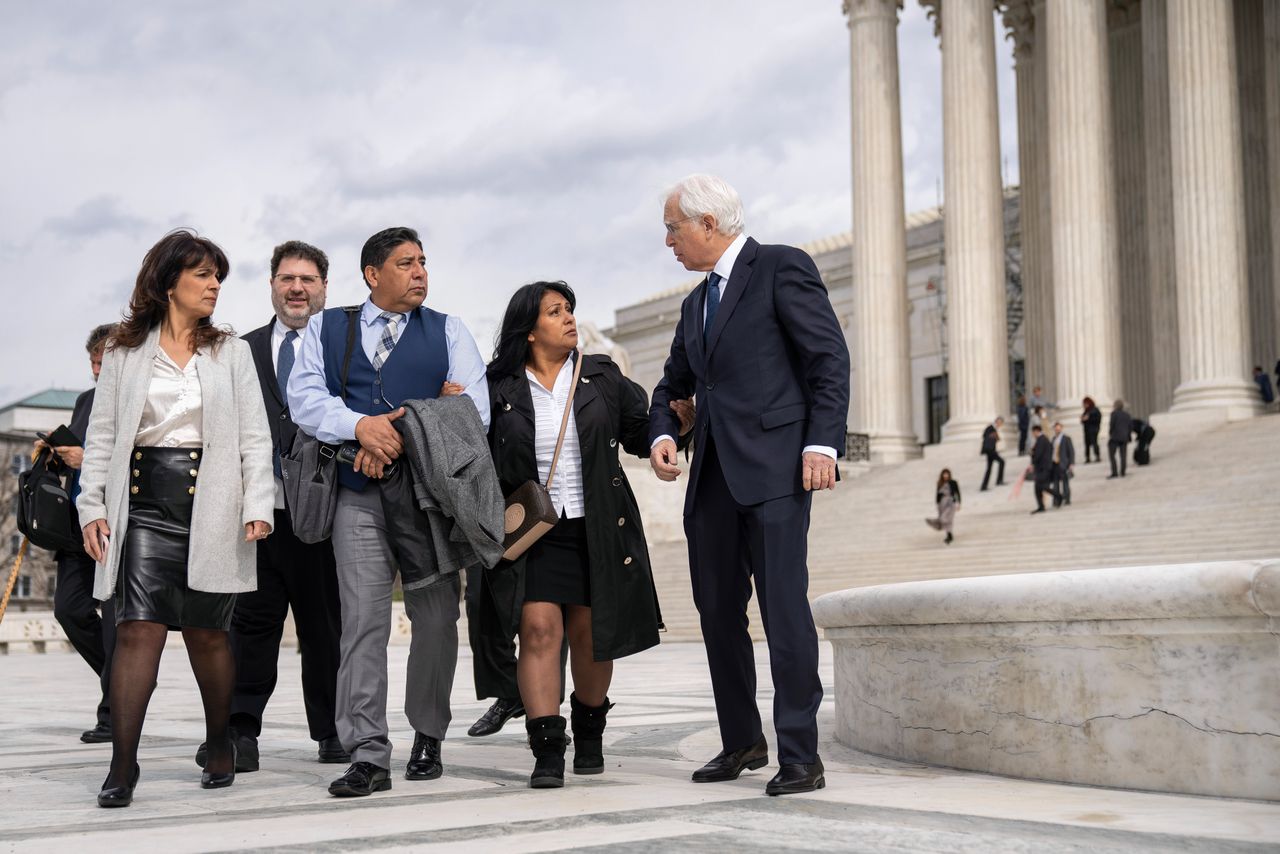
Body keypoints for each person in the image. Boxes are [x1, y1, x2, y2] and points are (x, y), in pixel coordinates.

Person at [649, 174, 851, 797]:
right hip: (710, 477)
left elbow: (827, 358)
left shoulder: (781, 268)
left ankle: (801, 754)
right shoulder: (693, 305)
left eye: (673, 229)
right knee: (716, 614)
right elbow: (673, 386)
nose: (668, 243)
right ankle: (742, 740)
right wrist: (662, 433)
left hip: (775, 471)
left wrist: (822, 443)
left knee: (784, 612)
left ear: (708, 225)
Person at [289, 226, 489, 798]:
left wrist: (395, 432)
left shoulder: (449, 330)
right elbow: (305, 397)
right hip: (356, 494)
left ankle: (428, 734)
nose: (421, 272)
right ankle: (368, 752)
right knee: (362, 623)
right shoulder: (327, 328)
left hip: (430, 500)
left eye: (424, 261)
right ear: (373, 275)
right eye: (407, 263)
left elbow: (475, 409)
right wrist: (359, 428)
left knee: (437, 619)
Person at [77, 230, 275, 807]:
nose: (215, 285)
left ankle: (219, 743)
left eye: (218, 276)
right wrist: (91, 506)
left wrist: (258, 504)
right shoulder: (122, 351)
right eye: (203, 275)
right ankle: (122, 764)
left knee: (208, 635)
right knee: (136, 629)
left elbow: (254, 438)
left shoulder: (231, 352)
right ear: (169, 283)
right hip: (141, 503)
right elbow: (103, 437)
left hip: (213, 504)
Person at [484, 281, 665, 787]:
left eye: (569, 310)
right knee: (539, 631)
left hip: (597, 526)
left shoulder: (601, 375)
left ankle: (589, 731)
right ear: (528, 329)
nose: (568, 319)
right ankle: (546, 750)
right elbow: (477, 453)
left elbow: (640, 429)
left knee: (591, 638)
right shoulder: (498, 386)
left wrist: (673, 430)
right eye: (555, 311)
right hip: (533, 531)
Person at [197, 241, 346, 772]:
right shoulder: (241, 350)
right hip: (255, 512)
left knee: (324, 625)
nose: (297, 288)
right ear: (273, 286)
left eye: (308, 279)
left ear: (324, 288)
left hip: (323, 513)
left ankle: (333, 729)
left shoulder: (342, 348)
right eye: (287, 278)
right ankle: (240, 730)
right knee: (251, 625)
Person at [42, 323, 118, 743]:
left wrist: (83, 457)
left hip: (115, 524)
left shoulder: (133, 397)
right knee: (69, 610)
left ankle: (112, 712)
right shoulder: (85, 400)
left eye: (102, 361)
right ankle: (126, 680)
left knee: (113, 622)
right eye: (92, 362)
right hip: (76, 527)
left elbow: (127, 458)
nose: (95, 369)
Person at [1027, 424, 1059, 514]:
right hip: (1044, 467)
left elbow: (1038, 455)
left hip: (1043, 468)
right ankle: (1042, 505)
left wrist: (1032, 455)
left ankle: (1057, 496)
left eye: (1033, 432)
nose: (1033, 434)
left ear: (1036, 431)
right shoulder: (1043, 439)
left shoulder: (1041, 440)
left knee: (1041, 487)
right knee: (1040, 487)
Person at [924, 468, 960, 544]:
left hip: (951, 502)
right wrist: (937, 503)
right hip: (942, 503)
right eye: (944, 474)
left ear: (949, 474)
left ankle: (937, 524)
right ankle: (949, 535)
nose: (945, 475)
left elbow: (957, 493)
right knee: (945, 518)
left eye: (947, 474)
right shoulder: (940, 483)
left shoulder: (953, 482)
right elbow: (937, 494)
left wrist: (958, 503)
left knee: (946, 518)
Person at [1108, 399, 1134, 479]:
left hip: (1115, 437)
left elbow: (1112, 425)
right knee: (1123, 455)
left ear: (1115, 406)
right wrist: (1129, 436)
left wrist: (1110, 433)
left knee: (1112, 455)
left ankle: (1114, 472)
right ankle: (1123, 472)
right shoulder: (1127, 415)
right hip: (1124, 437)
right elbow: (1130, 427)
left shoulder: (1114, 414)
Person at [1051, 421, 1074, 507]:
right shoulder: (1053, 439)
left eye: (1058, 427)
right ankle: (1056, 499)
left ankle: (1067, 498)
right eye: (1056, 428)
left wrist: (1071, 463)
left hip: (1064, 464)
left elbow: (1071, 451)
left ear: (1061, 428)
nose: (1057, 429)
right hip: (1055, 464)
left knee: (1065, 483)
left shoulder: (1066, 438)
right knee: (1055, 484)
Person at [980, 416, 1005, 491]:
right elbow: (985, 435)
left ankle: (984, 486)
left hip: (991, 450)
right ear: (997, 421)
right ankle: (999, 481)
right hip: (990, 450)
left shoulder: (994, 429)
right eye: (1000, 422)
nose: (1000, 424)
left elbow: (995, 439)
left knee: (989, 468)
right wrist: (992, 435)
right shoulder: (990, 427)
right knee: (1002, 462)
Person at [1080, 396, 1102, 463]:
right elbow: (1083, 420)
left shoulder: (1095, 410)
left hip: (1093, 430)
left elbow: (1098, 419)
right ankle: (1087, 458)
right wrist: (1083, 419)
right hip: (1087, 430)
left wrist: (1088, 418)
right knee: (1087, 444)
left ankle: (1097, 456)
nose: (1084, 405)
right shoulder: (1086, 411)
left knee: (1094, 443)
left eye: (1085, 403)